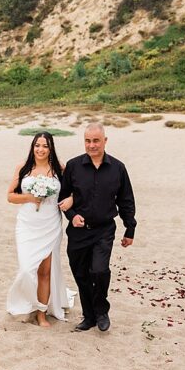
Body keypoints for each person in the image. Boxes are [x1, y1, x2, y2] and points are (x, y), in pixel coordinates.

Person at [56, 123, 136, 333]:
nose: (91, 145)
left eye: (96, 141)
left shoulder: (118, 168)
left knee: (99, 271)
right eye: (88, 141)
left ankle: (101, 311)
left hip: (104, 230)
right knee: (81, 275)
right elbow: (63, 197)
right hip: (78, 233)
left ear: (105, 141)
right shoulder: (73, 166)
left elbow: (126, 200)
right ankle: (89, 316)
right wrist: (72, 216)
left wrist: (130, 228)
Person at [5, 131, 71, 326]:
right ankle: (26, 303)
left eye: (45, 146)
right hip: (27, 225)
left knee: (45, 271)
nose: (40, 149)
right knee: (26, 269)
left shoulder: (60, 169)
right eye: (37, 145)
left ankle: (41, 313)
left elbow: (74, 192)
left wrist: (71, 200)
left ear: (51, 149)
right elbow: (10, 196)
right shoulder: (23, 168)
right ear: (32, 147)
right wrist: (30, 197)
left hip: (50, 224)